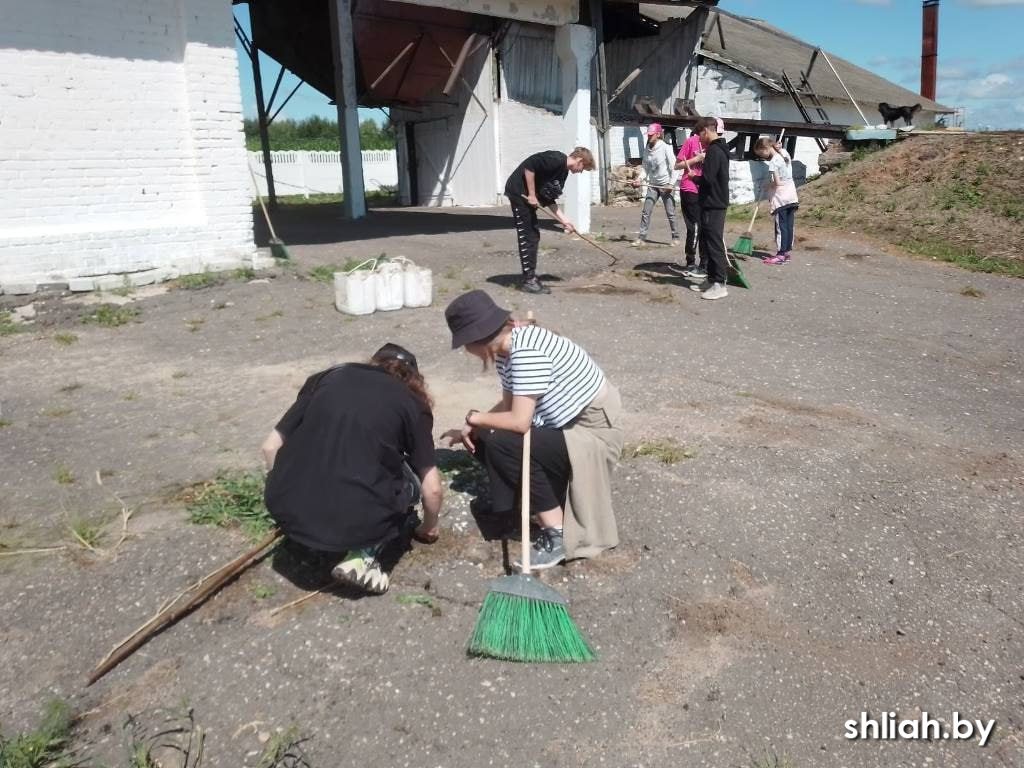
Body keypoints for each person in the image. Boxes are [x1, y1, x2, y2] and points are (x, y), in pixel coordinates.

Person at [443, 290, 623, 569]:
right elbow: (508, 406)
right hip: (565, 425)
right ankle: (514, 508)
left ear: (475, 342)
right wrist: (473, 425)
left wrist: (475, 416)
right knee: (488, 437)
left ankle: (557, 533)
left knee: (504, 441)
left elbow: (519, 422)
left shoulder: (526, 352)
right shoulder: (506, 348)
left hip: (592, 432)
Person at [261, 343, 443, 595]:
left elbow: (271, 447)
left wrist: (282, 492)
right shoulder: (413, 403)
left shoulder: (327, 377)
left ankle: (305, 524)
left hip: (286, 509)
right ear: (413, 378)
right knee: (409, 481)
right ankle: (363, 555)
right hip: (357, 524)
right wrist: (429, 527)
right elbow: (431, 489)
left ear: (373, 363)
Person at [504, 147, 596, 295]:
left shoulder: (562, 173)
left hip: (527, 197)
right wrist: (532, 195)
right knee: (528, 234)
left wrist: (565, 220)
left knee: (533, 235)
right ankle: (529, 281)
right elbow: (530, 167)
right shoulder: (556, 159)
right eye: (583, 168)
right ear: (579, 161)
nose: (580, 172)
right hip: (519, 193)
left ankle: (530, 277)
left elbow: (549, 198)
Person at [688, 116, 731, 301]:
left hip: (714, 203)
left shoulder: (714, 150)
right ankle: (711, 279)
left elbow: (708, 179)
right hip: (712, 202)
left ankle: (720, 284)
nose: (699, 138)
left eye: (700, 134)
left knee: (713, 244)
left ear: (707, 130)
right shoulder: (719, 149)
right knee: (706, 240)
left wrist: (694, 177)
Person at [630, 123, 680, 248]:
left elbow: (675, 167)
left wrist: (671, 184)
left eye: (651, 135)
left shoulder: (665, 148)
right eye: (648, 135)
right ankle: (641, 238)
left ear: (658, 134)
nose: (649, 137)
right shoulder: (647, 148)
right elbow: (646, 168)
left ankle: (676, 237)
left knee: (671, 212)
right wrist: (639, 179)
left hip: (665, 185)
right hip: (652, 185)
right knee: (646, 212)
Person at [753, 137, 799, 265]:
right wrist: (779, 148)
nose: (763, 157)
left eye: (762, 154)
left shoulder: (773, 162)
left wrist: (767, 185)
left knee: (780, 227)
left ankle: (780, 254)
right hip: (792, 195)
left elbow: (777, 183)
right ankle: (786, 252)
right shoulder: (784, 154)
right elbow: (782, 150)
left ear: (766, 148)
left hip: (780, 198)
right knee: (789, 226)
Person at [673, 127, 706, 271]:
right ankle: (690, 261)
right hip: (689, 188)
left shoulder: (714, 145)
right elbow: (677, 165)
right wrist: (696, 159)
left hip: (704, 189)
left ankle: (704, 263)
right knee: (695, 227)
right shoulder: (690, 141)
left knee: (705, 227)